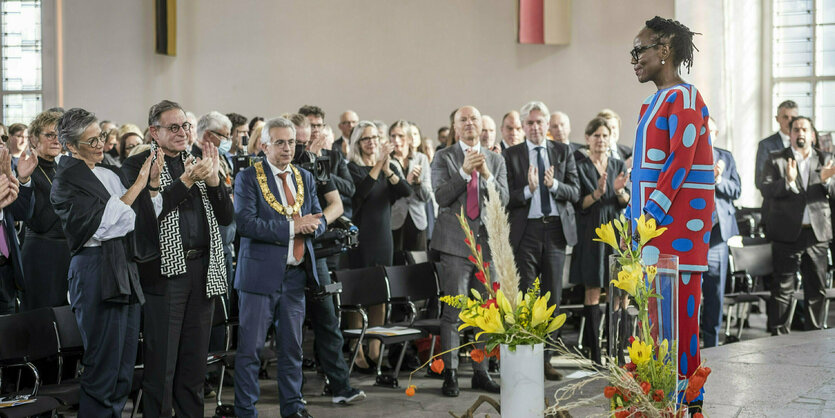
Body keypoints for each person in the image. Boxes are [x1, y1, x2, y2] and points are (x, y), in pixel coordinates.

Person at [123, 100, 233, 418]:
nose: (183, 132)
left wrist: (213, 182)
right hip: (164, 273)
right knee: (163, 366)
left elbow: (226, 217)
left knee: (194, 364)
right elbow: (146, 219)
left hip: (201, 270)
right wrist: (186, 182)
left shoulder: (198, 161)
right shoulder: (138, 167)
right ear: (153, 132)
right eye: (174, 127)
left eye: (186, 126)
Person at [50, 107, 161, 416]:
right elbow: (104, 224)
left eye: (100, 137)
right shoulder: (66, 181)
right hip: (96, 270)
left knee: (123, 368)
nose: (100, 145)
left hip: (123, 267)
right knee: (103, 367)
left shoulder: (107, 174)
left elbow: (136, 217)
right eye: (91, 141)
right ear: (71, 146)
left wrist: (149, 185)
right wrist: (138, 185)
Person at [628, 16, 714, 409]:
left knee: (679, 326)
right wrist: (636, 221)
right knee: (656, 326)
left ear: (664, 51)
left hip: (674, 231)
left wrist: (650, 215)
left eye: (639, 50)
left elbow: (680, 161)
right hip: (653, 232)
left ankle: (688, 404)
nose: (634, 59)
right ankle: (661, 402)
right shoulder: (654, 101)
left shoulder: (685, 97)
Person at [233, 117, 326, 418]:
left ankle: (293, 408)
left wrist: (316, 225)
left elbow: (319, 216)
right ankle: (246, 411)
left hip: (295, 276)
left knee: (293, 350)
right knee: (251, 351)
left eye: (292, 143)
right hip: (259, 277)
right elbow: (245, 224)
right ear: (264, 146)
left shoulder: (304, 176)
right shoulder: (248, 177)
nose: (288, 149)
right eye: (281, 143)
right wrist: (292, 226)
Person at [285, 113, 365, 405]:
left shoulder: (314, 163)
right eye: (296, 143)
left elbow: (337, 204)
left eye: (305, 143)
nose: (301, 149)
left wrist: (318, 224)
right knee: (289, 327)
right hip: (284, 253)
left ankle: (341, 386)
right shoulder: (268, 166)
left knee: (328, 320)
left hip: (315, 250)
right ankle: (292, 393)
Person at [430, 105, 507, 397]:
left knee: (486, 311)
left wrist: (486, 174)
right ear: (455, 126)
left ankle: (481, 371)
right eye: (463, 119)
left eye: (474, 118)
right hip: (454, 244)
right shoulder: (443, 157)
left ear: (481, 124)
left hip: (487, 245)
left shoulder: (496, 160)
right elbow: (440, 197)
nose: (469, 123)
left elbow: (505, 200)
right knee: (454, 310)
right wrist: (463, 173)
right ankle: (450, 373)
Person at [504, 101, 580, 379]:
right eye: (530, 123)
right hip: (526, 233)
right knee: (526, 294)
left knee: (552, 298)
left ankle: (546, 358)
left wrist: (553, 186)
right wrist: (528, 189)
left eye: (539, 122)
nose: (535, 128)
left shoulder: (563, 151)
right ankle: (526, 355)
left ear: (547, 125)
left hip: (555, 231)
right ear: (522, 126)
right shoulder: (510, 154)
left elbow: (575, 191)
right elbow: (505, 197)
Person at [347, 120, 411, 371]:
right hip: (361, 238)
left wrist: (388, 170)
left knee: (380, 294)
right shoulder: (351, 168)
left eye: (374, 137)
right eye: (365, 138)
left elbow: (405, 191)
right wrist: (378, 167)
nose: (371, 142)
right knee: (359, 295)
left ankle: (375, 346)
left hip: (384, 238)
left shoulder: (389, 166)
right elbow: (359, 195)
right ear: (357, 143)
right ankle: (356, 347)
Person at [761, 116, 834, 334]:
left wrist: (827, 181)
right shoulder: (776, 159)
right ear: (790, 135)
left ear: (812, 135)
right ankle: (778, 338)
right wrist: (788, 182)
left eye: (804, 129)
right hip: (786, 236)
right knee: (782, 290)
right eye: (795, 130)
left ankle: (814, 337)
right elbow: (765, 189)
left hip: (816, 235)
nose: (799, 133)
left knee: (816, 290)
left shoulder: (826, 159)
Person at [568, 117, 629, 364]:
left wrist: (617, 191)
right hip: (590, 232)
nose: (601, 140)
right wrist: (597, 194)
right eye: (596, 136)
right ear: (587, 138)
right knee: (593, 289)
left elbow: (625, 202)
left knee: (617, 291)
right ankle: (595, 354)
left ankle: (615, 350)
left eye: (605, 136)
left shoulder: (617, 164)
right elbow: (579, 203)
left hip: (615, 232)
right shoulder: (579, 165)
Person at [20, 110, 72, 310]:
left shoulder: (61, 168)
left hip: (66, 252)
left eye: (59, 135)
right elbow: (38, 221)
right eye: (49, 135)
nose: (56, 140)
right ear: (34, 139)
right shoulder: (28, 171)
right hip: (41, 253)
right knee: (42, 320)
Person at [702, 118, 740, 347]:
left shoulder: (726, 157)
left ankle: (712, 342)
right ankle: (688, 344)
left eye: (709, 130)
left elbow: (737, 189)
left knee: (715, 292)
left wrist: (718, 179)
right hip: (694, 233)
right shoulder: (691, 157)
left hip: (718, 235)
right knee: (693, 293)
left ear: (715, 133)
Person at [298, 105, 357, 219]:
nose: (315, 129)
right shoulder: (296, 156)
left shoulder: (334, 156)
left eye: (319, 125)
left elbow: (350, 189)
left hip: (333, 217)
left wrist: (322, 165)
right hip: (305, 217)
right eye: (311, 125)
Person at [390, 120, 433, 252]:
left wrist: (418, 183)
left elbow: (427, 197)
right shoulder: (387, 161)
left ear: (409, 139)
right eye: (393, 136)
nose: (396, 140)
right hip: (395, 220)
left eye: (401, 136)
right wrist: (406, 183)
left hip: (418, 220)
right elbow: (388, 195)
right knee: (397, 265)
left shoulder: (421, 159)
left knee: (419, 266)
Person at [756, 100, 799, 193]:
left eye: (793, 118)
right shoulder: (766, 145)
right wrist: (787, 182)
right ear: (777, 118)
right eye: (785, 117)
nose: (789, 121)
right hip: (775, 201)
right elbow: (760, 180)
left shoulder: (805, 144)